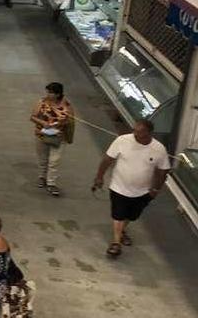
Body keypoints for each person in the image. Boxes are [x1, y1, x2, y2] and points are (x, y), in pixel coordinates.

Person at [93, 119, 170, 258]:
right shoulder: (122, 140)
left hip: (142, 191)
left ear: (149, 133)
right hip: (119, 186)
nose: (135, 134)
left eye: (139, 132)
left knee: (132, 215)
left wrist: (156, 189)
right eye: (134, 130)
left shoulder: (159, 149)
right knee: (118, 214)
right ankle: (116, 243)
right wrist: (99, 177)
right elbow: (107, 159)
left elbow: (163, 170)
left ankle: (121, 231)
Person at [30, 82, 74, 197]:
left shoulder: (67, 106)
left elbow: (70, 121)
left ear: (58, 94)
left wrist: (62, 122)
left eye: (51, 93)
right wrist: (44, 123)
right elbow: (33, 117)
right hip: (42, 134)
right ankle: (42, 177)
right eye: (48, 92)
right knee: (43, 158)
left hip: (59, 137)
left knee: (54, 161)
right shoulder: (42, 102)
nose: (48, 95)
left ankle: (51, 183)